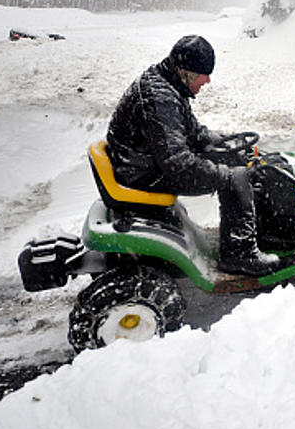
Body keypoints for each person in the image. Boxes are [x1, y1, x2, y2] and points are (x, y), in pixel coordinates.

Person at [106, 34, 282, 276]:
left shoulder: (166, 83)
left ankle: (251, 232)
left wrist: (227, 143)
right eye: (203, 74)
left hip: (140, 161)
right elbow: (178, 163)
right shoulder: (160, 98)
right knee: (236, 177)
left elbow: (193, 132)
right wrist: (226, 174)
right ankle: (239, 255)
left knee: (233, 161)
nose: (208, 80)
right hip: (141, 173)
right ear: (185, 71)